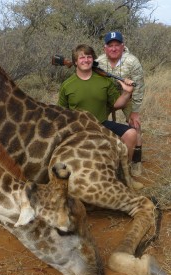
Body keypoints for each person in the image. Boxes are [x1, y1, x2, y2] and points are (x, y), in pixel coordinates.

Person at [58, 44, 143, 190]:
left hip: (101, 124)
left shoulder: (104, 81)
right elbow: (61, 114)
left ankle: (124, 175)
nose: (86, 59)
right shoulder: (67, 85)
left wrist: (127, 93)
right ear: (75, 62)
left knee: (131, 133)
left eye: (89, 56)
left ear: (93, 59)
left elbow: (117, 104)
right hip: (79, 130)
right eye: (82, 57)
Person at [97, 31, 145, 177]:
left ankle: (136, 161)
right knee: (96, 121)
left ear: (122, 46)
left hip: (128, 97)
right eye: (110, 45)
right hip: (107, 98)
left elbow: (139, 87)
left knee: (135, 125)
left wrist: (135, 111)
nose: (113, 48)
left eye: (117, 45)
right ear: (105, 47)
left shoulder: (132, 61)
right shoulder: (98, 62)